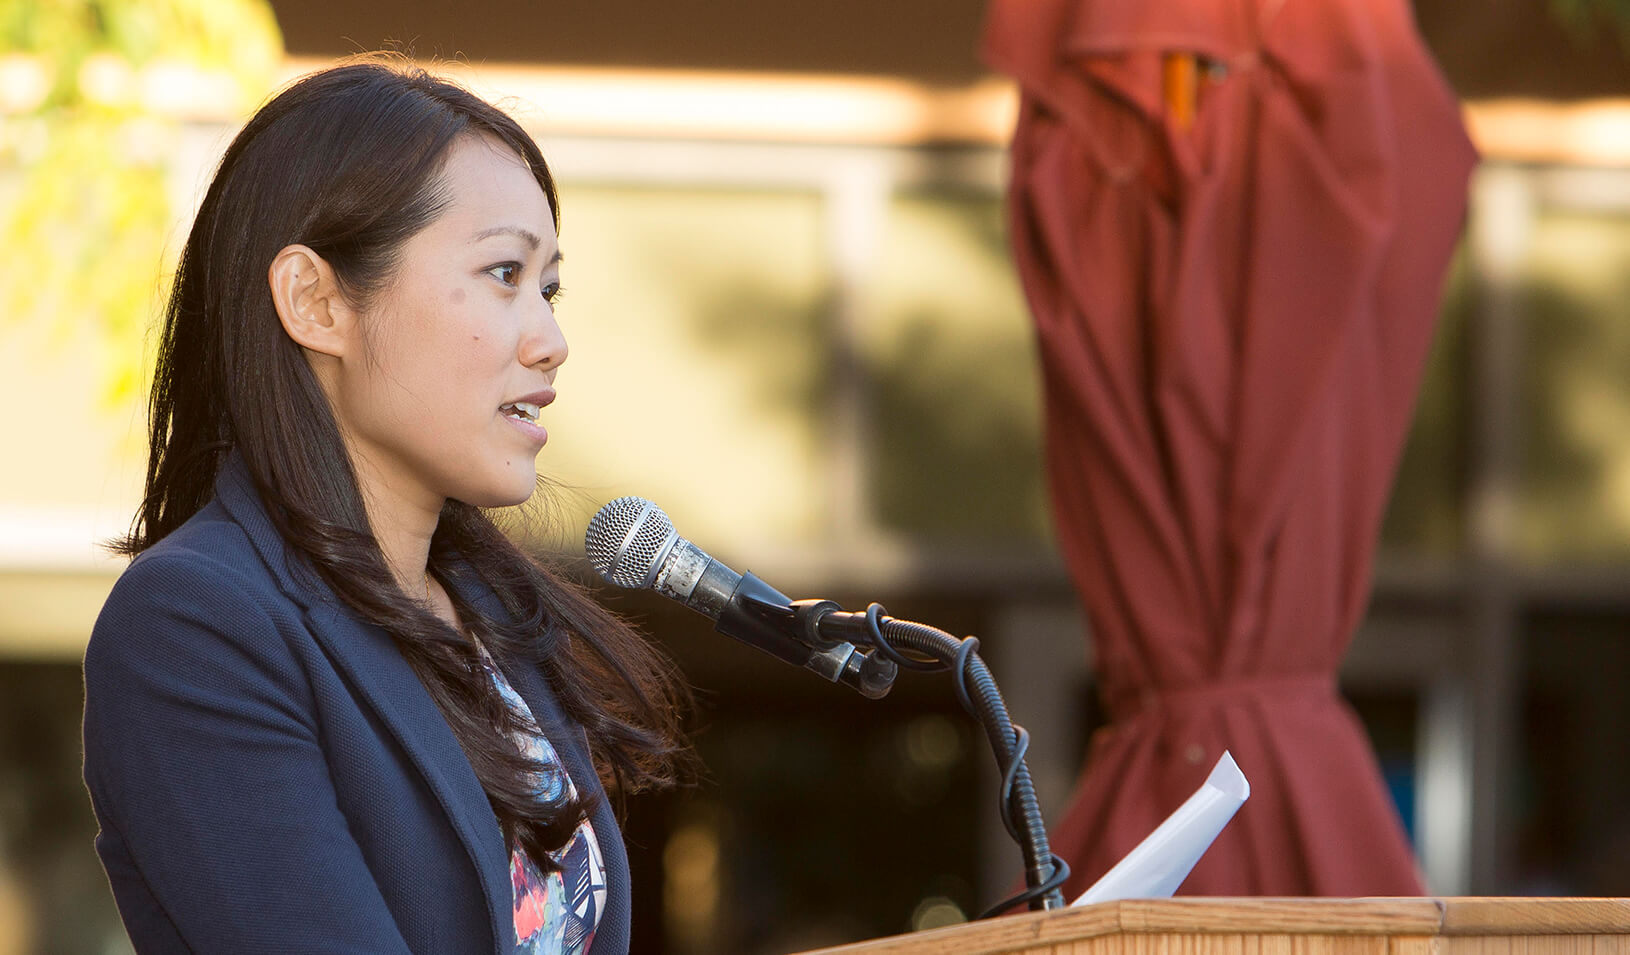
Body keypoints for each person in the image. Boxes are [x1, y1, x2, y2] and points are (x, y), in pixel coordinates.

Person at [81, 58, 692, 954]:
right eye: (502, 273)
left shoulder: (493, 619)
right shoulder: (196, 625)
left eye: (549, 287)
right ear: (316, 301)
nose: (552, 341)